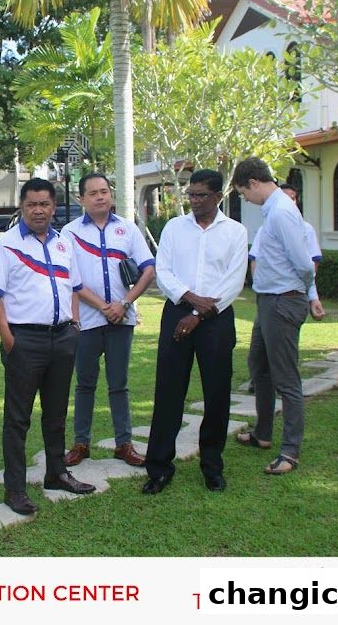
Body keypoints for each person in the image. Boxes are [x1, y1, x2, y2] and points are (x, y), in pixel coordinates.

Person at [0, 178, 95, 516]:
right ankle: (15, 489)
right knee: (17, 420)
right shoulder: (4, 245)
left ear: (53, 206)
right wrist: (9, 340)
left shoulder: (64, 244)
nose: (38, 210)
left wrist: (75, 326)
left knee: (56, 413)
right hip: (24, 341)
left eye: (44, 204)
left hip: (62, 338)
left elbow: (74, 287)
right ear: (22, 206)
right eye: (31, 204)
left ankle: (56, 473)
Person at [142, 170, 248, 494]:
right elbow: (164, 271)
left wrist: (198, 316)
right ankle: (159, 469)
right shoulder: (174, 227)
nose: (194, 200)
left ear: (218, 196)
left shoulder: (236, 232)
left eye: (201, 195)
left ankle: (212, 467)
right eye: (191, 194)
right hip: (177, 311)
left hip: (215, 318)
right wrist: (190, 301)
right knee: (169, 392)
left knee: (216, 395)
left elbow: (233, 281)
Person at [231, 157, 325, 476]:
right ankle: (263, 433)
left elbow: (303, 263)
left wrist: (304, 292)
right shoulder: (273, 210)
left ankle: (290, 451)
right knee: (259, 365)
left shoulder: (282, 212)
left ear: (254, 183)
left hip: (283, 301)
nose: (245, 198)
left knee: (285, 377)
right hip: (269, 300)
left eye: (244, 192)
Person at [61, 173, 156, 468]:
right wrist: (104, 306)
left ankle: (123, 444)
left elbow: (149, 270)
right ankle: (81, 444)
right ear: (82, 199)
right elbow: (70, 278)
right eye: (93, 193)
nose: (100, 196)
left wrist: (124, 304)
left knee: (119, 384)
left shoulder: (127, 229)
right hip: (86, 322)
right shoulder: (70, 232)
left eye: (104, 191)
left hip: (121, 320)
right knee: (84, 384)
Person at [249, 183, 321, 276]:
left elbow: (314, 258)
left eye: (292, 198)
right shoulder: (263, 229)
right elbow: (255, 258)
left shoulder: (307, 229)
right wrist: (257, 282)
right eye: (285, 198)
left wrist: (308, 284)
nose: (289, 201)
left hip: (295, 286)